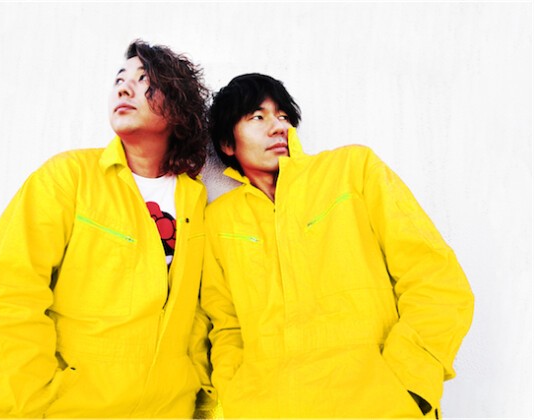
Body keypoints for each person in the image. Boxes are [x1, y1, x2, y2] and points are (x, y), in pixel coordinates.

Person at [0, 40, 216, 418]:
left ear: (179, 104)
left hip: (171, 409)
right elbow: (3, 292)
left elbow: (195, 315)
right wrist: (32, 406)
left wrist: (200, 399)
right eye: (120, 79)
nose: (124, 89)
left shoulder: (194, 198)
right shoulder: (69, 177)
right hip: (76, 409)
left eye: (145, 80)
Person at [201, 73, 474, 419]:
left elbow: (435, 278)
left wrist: (409, 386)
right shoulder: (220, 220)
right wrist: (234, 403)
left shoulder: (352, 170)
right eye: (258, 117)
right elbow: (226, 329)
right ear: (227, 143)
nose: (278, 127)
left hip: (378, 407)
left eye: (283, 116)